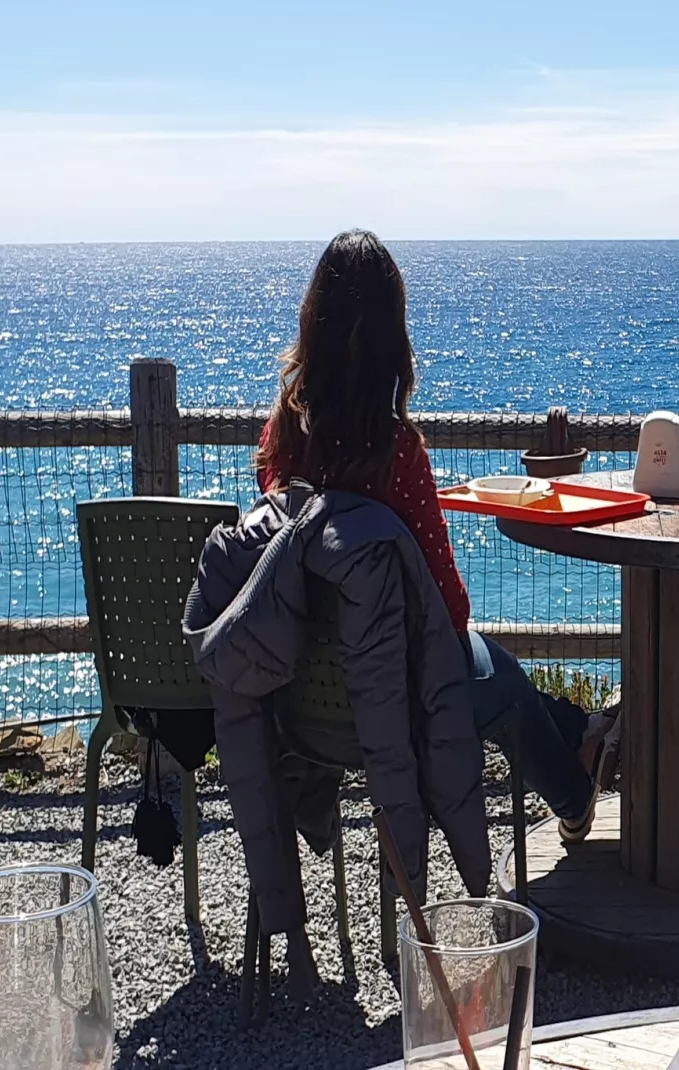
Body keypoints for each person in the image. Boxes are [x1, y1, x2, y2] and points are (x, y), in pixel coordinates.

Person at [254, 229, 618, 842]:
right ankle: (577, 793)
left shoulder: (280, 443)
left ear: (312, 324)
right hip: (395, 706)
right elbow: (450, 610)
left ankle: (581, 733)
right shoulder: (396, 453)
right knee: (494, 672)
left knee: (499, 672)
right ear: (392, 338)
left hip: (301, 705)